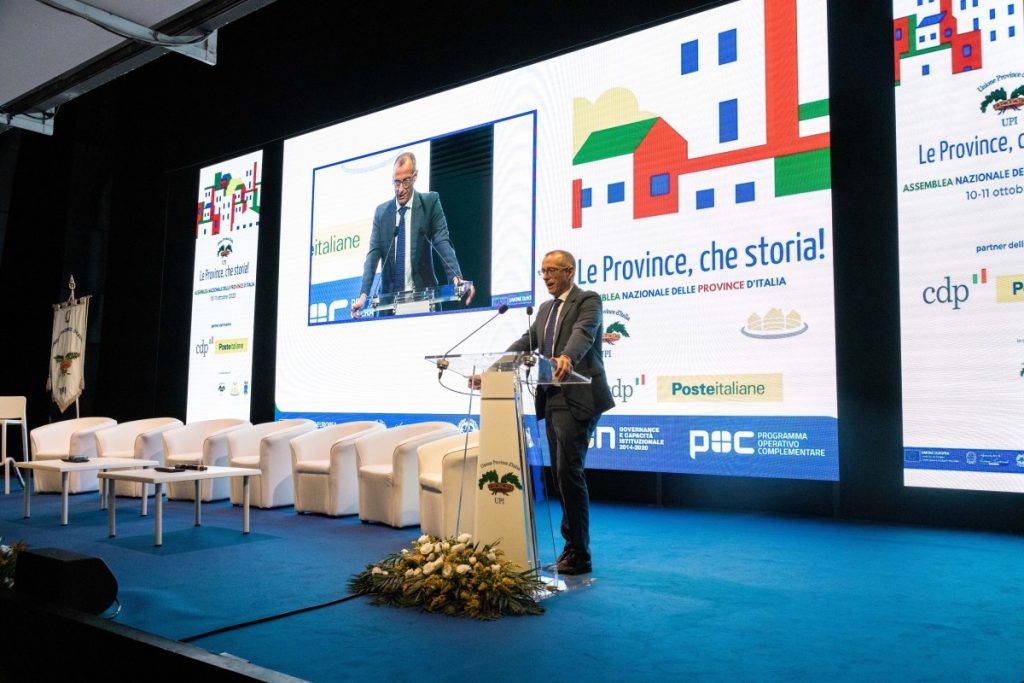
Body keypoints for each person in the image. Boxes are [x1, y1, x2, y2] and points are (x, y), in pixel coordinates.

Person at [505, 249, 614, 575]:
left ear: (570, 271)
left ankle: (579, 553)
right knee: (560, 475)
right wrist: (496, 366)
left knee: (569, 473)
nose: (547, 277)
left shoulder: (588, 300)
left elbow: (584, 332)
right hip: (551, 396)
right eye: (543, 271)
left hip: (578, 397)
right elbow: (527, 341)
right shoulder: (545, 309)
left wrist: (567, 357)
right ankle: (572, 549)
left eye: (553, 270)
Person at [351, 152, 474, 313]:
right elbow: (373, 255)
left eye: (406, 181)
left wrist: (456, 277)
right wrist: (363, 295)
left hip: (424, 300)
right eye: (396, 182)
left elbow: (442, 241)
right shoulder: (381, 213)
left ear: (415, 177)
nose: (400, 189)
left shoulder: (430, 203)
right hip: (389, 305)